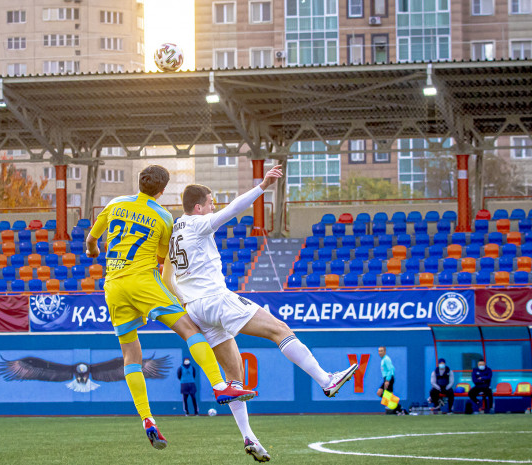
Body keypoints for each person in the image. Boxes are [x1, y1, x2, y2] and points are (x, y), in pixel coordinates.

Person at [163, 165, 358, 462]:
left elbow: (168, 279)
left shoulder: (176, 229)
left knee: (234, 381)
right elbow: (232, 210)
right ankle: (325, 380)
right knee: (280, 330)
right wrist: (262, 186)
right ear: (199, 206)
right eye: (210, 201)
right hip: (216, 300)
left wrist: (183, 301)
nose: (213, 205)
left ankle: (249, 437)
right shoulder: (197, 223)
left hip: (195, 310)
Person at [85, 164, 255, 450]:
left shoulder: (114, 204)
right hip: (143, 283)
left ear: (139, 182)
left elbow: (91, 240)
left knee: (130, 354)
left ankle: (147, 419)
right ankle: (218, 384)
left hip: (113, 286)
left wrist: (94, 251)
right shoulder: (164, 217)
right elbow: (167, 261)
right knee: (190, 329)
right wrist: (169, 295)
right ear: (162, 191)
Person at [376, 346, 404, 415]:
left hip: (389, 378)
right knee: (383, 394)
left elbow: (391, 369)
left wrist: (387, 380)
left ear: (385, 352)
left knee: (385, 395)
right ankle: (398, 408)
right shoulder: (383, 360)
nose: (380, 352)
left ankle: (399, 408)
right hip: (386, 378)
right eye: (379, 351)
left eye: (381, 351)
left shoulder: (386, 359)